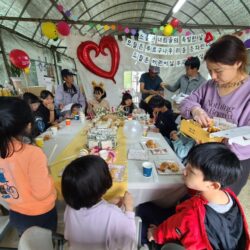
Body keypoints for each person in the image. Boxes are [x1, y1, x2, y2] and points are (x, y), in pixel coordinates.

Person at [139, 143, 249, 249]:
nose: (184, 171)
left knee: (144, 209)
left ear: (213, 185)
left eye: (190, 171)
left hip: (186, 242)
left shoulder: (193, 213)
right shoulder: (229, 194)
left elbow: (174, 228)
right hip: (214, 240)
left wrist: (156, 233)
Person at [180, 35, 250, 195]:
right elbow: (187, 102)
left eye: (218, 71)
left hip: (229, 163)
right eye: (210, 71)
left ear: (238, 63)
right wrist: (195, 110)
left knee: (214, 208)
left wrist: (220, 139)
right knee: (192, 204)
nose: (213, 77)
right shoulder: (210, 86)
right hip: (202, 157)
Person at [0, 97, 57, 235]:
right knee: (43, 242)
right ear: (28, 125)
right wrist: (47, 174)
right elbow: (42, 193)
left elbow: (4, 190)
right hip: (41, 213)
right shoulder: (33, 153)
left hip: (15, 212)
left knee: (27, 240)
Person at [61, 155, 136, 250]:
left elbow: (92, 216)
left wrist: (107, 204)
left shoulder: (70, 207)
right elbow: (129, 242)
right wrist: (129, 209)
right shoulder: (113, 215)